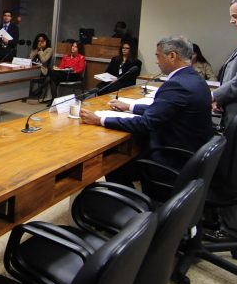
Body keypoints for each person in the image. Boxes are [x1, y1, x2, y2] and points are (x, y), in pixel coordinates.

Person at [80, 35, 214, 180]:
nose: (157, 61)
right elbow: (165, 110)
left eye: (158, 56)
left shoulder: (177, 84)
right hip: (191, 156)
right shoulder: (195, 79)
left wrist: (100, 120)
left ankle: (133, 195)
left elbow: (146, 123)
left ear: (172, 56)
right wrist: (130, 106)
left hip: (172, 161)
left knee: (114, 164)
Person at [213, 0, 237, 127]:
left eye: (235, 16)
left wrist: (215, 95)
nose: (231, 21)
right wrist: (221, 99)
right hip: (232, 111)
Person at [27, 33, 53, 101]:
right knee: (24, 72)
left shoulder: (49, 50)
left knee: (29, 74)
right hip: (33, 68)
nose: (39, 43)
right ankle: (26, 93)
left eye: (42, 41)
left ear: (45, 41)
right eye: (38, 41)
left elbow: (43, 60)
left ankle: (35, 92)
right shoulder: (35, 49)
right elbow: (30, 58)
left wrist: (41, 50)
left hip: (42, 70)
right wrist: (37, 49)